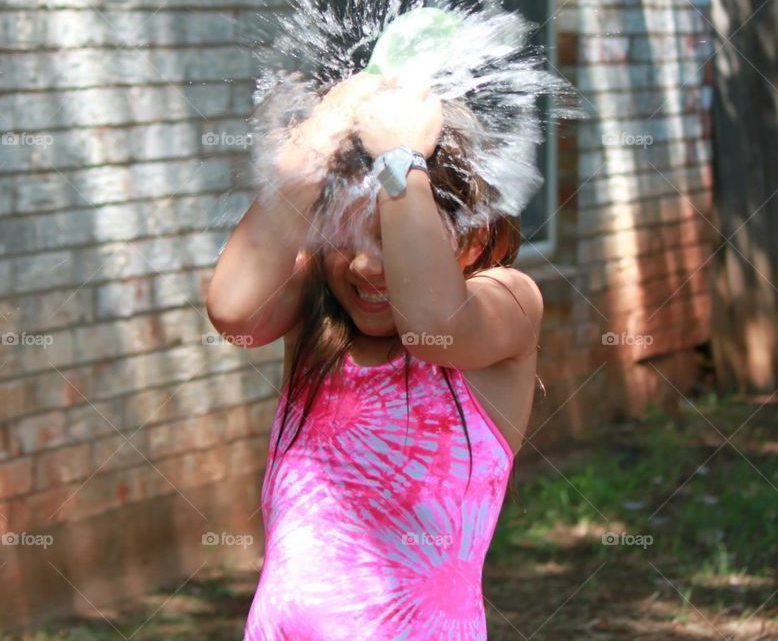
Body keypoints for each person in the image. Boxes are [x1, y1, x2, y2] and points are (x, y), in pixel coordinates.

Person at [206, 72, 543, 640]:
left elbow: (433, 324)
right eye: (349, 239)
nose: (365, 267)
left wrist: (402, 160)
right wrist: (318, 138)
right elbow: (234, 312)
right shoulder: (322, 312)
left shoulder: (507, 301)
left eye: (388, 240)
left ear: (474, 241)